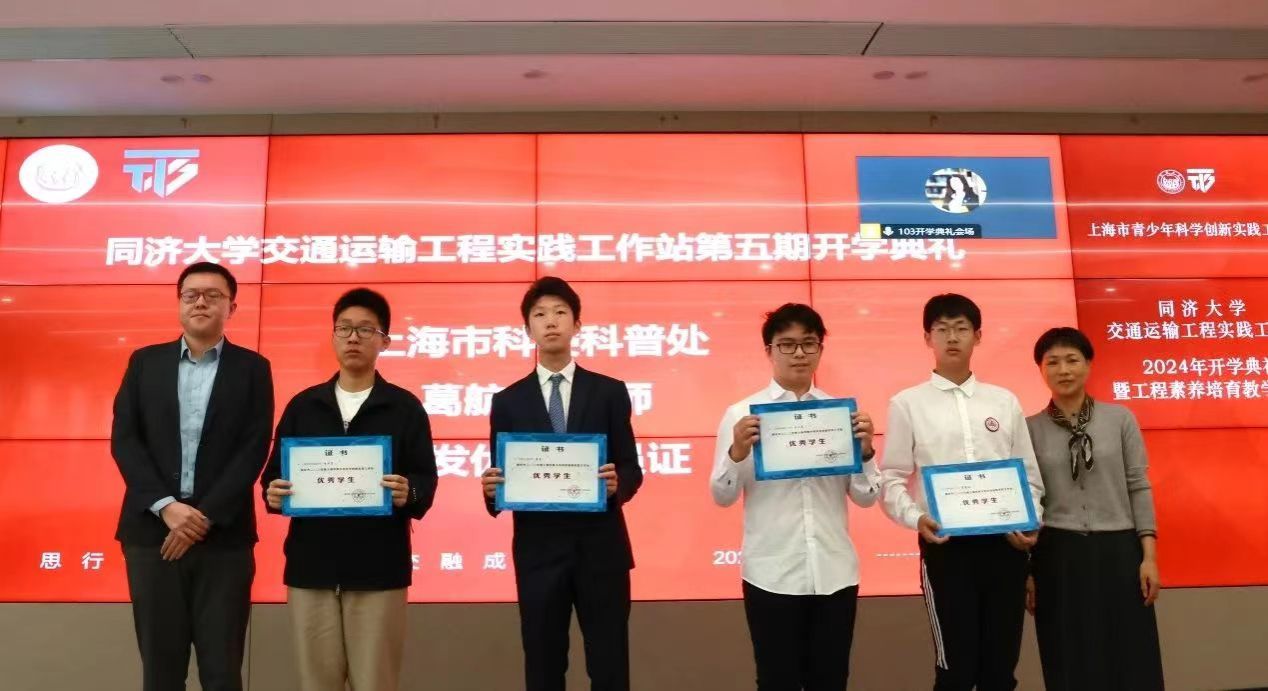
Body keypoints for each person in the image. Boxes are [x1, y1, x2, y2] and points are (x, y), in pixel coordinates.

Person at [261, 288, 437, 691]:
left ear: (384, 341)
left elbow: (426, 479)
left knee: (375, 682)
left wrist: (409, 492)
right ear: (333, 336)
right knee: (316, 683)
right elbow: (272, 477)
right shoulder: (304, 406)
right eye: (344, 329)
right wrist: (273, 493)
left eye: (365, 329)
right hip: (311, 569)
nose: (353, 337)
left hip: (379, 571)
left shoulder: (404, 408)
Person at [111, 262, 274, 691]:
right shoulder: (144, 363)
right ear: (179, 303)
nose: (201, 302)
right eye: (191, 295)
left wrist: (201, 517)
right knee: (161, 673)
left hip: (223, 540)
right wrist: (167, 507)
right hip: (152, 537)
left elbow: (253, 448)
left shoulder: (254, 368)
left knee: (222, 672)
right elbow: (125, 440)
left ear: (231, 307)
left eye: (213, 295)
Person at [479, 276, 642, 691]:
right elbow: (501, 474)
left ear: (577, 324)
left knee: (609, 666)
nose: (550, 321)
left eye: (560, 312)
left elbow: (631, 467)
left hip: (601, 551)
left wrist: (618, 484)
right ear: (527, 329)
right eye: (539, 315)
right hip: (539, 553)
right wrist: (492, 489)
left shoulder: (609, 392)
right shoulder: (507, 401)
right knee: (543, 667)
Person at [710, 303, 882, 690]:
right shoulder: (742, 416)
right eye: (787, 344)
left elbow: (866, 498)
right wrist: (737, 452)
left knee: (831, 680)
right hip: (770, 573)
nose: (799, 353)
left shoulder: (840, 416)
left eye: (809, 343)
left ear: (821, 349)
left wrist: (867, 452)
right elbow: (721, 496)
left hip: (834, 572)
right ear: (769, 351)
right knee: (776, 680)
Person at [879, 293, 1044, 691]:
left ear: (978, 336)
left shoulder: (1003, 401)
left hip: (1005, 545)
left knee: (1000, 671)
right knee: (956, 670)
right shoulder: (907, 404)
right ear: (927, 338)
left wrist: (1030, 521)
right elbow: (891, 478)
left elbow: (1029, 475)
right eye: (942, 329)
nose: (952, 337)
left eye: (961, 328)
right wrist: (916, 518)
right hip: (946, 547)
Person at [1025, 327, 1164, 691]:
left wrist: (1149, 557)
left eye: (1072, 360)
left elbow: (1138, 486)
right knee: (1068, 652)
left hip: (1119, 549)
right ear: (1040, 369)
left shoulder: (1120, 419)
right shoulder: (1028, 429)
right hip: (1057, 554)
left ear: (1088, 364)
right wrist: (1028, 570)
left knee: (1131, 652)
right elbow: (1026, 501)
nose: (1063, 369)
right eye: (1052, 362)